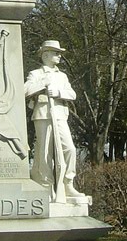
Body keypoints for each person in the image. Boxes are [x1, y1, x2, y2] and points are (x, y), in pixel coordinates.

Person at [24, 40, 84, 201]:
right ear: (46, 55)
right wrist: (42, 84)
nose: (59, 56)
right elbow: (25, 90)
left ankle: (68, 183)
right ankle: (45, 185)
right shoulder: (36, 74)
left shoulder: (62, 76)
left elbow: (72, 94)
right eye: (56, 53)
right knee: (45, 151)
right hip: (43, 114)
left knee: (69, 149)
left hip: (59, 114)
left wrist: (57, 92)